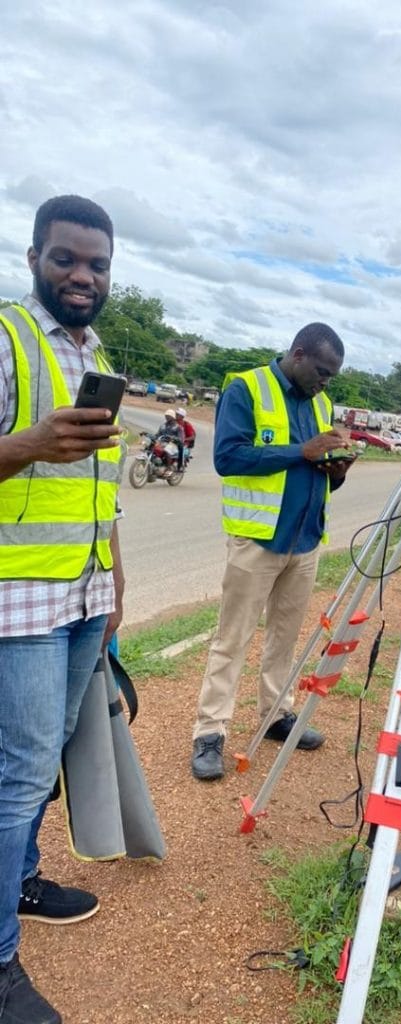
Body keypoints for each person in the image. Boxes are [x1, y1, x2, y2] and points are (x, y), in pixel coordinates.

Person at [0, 195, 124, 1023]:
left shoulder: (96, 350)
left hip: (85, 590)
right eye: (66, 259)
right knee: (16, 776)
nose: (82, 276)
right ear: (37, 256)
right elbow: (42, 458)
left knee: (39, 764)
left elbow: (101, 488)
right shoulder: (8, 338)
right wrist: (31, 444)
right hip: (19, 599)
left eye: (98, 265)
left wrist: (118, 581)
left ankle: (21, 878)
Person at [190, 323, 352, 781]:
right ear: (297, 354)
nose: (326, 381)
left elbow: (316, 465)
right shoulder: (246, 388)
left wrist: (335, 469)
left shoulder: (321, 402)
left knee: (285, 636)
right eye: (321, 370)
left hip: (305, 540)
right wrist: (303, 450)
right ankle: (210, 733)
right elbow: (229, 457)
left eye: (332, 375)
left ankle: (278, 714)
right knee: (232, 639)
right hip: (256, 542)